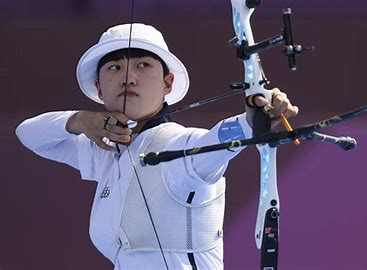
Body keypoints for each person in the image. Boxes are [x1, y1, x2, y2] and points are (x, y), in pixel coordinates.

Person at [16, 23, 298, 269]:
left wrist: (256, 117)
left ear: (167, 83)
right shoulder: (103, 149)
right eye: (114, 68)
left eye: (143, 65)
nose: (128, 77)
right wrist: (79, 120)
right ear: (100, 88)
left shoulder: (178, 145)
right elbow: (28, 133)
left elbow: (218, 140)